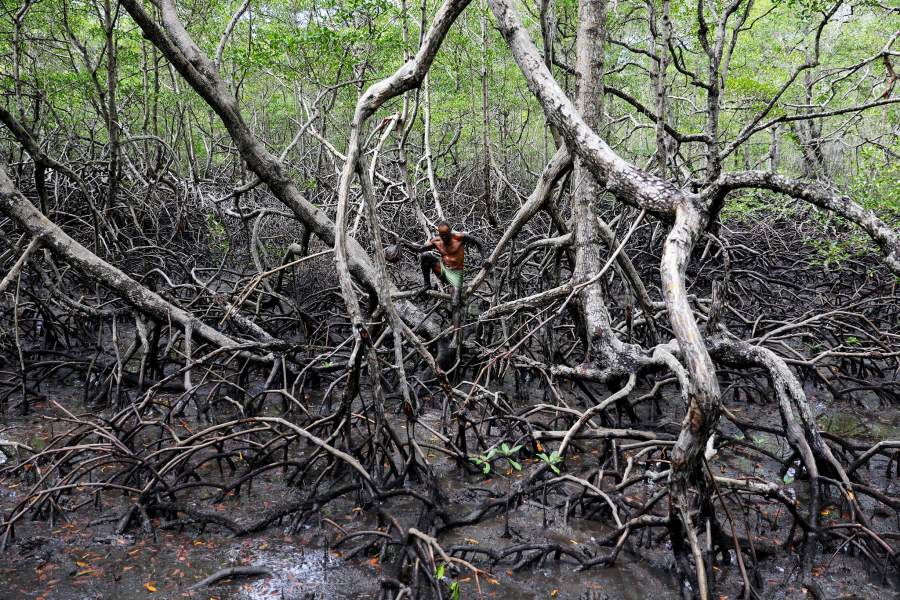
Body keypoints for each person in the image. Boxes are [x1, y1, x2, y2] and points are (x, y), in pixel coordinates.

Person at [415, 221, 489, 304]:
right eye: (442, 235)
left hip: (456, 275)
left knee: (455, 302)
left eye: (446, 234)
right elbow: (420, 248)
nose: (444, 237)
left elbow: (478, 241)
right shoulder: (437, 241)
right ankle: (427, 284)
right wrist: (402, 242)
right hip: (443, 271)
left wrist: (484, 259)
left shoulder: (459, 237)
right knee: (425, 256)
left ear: (450, 232)